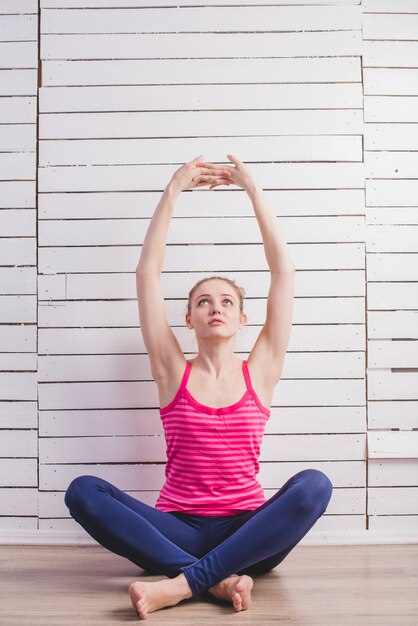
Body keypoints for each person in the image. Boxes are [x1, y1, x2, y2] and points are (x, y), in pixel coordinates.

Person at [64, 155, 333, 620]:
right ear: (188, 319)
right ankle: (216, 579)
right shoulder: (173, 372)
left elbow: (284, 275)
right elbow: (147, 277)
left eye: (227, 301)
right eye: (203, 301)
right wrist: (173, 190)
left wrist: (254, 191)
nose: (216, 307)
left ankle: (181, 584)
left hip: (250, 534)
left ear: (242, 319)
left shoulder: (260, 370)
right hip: (176, 532)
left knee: (316, 486)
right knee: (82, 491)